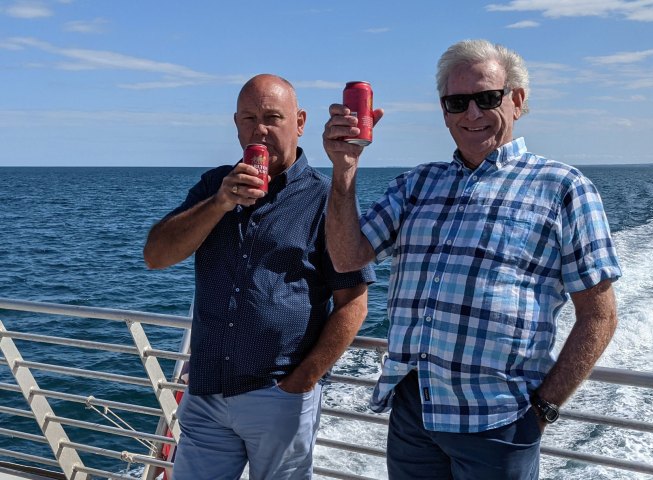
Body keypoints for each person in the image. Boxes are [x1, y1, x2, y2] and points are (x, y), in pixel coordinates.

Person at [322, 39, 621, 479]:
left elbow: (600, 315)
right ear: (444, 111)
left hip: (499, 424)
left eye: (487, 98)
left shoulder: (563, 188)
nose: (472, 114)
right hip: (414, 412)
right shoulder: (416, 184)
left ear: (516, 101)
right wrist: (344, 169)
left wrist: (542, 410)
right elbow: (348, 256)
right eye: (457, 102)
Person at [144, 73, 375, 480]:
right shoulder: (215, 184)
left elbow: (353, 302)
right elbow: (156, 256)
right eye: (249, 118)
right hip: (207, 389)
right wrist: (219, 203)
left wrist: (303, 381)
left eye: (272, 117)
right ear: (236, 124)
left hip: (278, 392)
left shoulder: (325, 199)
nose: (260, 129)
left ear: (299, 122)